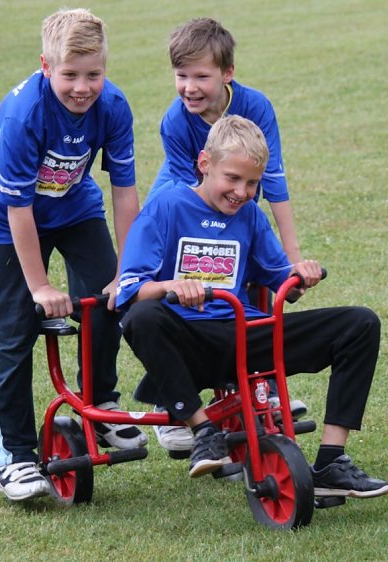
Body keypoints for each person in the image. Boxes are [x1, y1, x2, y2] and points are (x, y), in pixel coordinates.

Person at [116, 116, 388, 498]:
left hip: (244, 335)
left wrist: (301, 274)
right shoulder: (167, 206)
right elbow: (127, 292)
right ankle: (203, 431)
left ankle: (331, 460)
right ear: (204, 163)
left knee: (360, 323)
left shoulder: (249, 215)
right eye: (232, 178)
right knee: (141, 316)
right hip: (186, 343)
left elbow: (282, 281)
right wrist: (170, 286)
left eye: (252, 183)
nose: (242, 192)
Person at [0, 8, 147, 502]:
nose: (82, 87)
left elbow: (124, 191)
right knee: (14, 333)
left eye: (93, 74)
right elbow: (19, 208)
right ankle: (15, 456)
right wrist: (40, 286)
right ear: (46, 67)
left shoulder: (112, 106)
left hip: (75, 208)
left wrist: (128, 270)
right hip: (9, 218)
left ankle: (100, 404)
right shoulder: (24, 113)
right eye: (69, 75)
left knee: (109, 300)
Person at [145, 17, 307, 455]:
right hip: (185, 191)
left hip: (237, 193)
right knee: (188, 268)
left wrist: (291, 259)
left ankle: (257, 384)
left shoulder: (256, 107)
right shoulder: (176, 122)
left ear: (227, 74)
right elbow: (186, 200)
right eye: (181, 76)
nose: (190, 87)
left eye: (201, 76)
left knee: (252, 268)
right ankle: (173, 402)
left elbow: (273, 182)